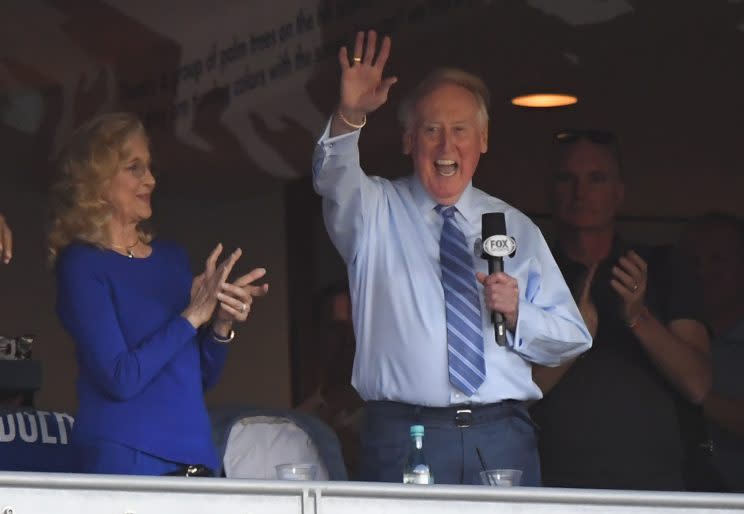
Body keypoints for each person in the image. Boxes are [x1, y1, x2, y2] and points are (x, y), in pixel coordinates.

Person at [312, 30, 591, 486]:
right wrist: (349, 116)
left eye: (460, 131)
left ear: (482, 140)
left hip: (502, 433)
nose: (446, 148)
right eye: (431, 130)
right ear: (408, 140)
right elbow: (332, 177)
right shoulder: (373, 210)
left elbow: (572, 337)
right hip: (406, 432)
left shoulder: (514, 226)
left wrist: (519, 313)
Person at [49, 112, 269, 476]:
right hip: (126, 457)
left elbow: (198, 377)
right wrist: (191, 317)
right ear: (97, 180)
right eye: (134, 168)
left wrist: (220, 324)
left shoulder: (172, 259)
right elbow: (120, 378)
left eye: (149, 167)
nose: (149, 180)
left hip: (197, 457)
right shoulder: (82, 265)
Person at [530, 129, 712, 490]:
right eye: (567, 179)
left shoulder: (660, 265)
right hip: (551, 487)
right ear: (550, 192)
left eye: (596, 179)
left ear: (620, 192)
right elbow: (508, 394)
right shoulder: (528, 268)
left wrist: (638, 317)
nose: (581, 193)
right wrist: (572, 340)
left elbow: (698, 385)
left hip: (657, 488)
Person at [680, 212, 744, 491]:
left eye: (717, 260)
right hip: (673, 498)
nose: (702, 272)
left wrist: (686, 391)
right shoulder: (666, 338)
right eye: (693, 262)